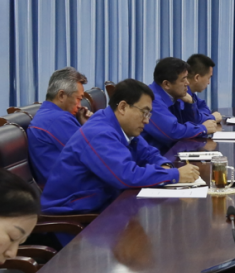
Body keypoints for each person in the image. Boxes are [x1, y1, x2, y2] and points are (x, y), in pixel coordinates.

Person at [41, 79, 201, 214]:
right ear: (123, 107)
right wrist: (174, 175)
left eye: (149, 114)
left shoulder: (120, 126)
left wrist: (165, 165)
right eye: (144, 113)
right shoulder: (99, 133)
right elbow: (126, 176)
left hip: (102, 202)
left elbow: (148, 153)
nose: (147, 120)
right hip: (74, 214)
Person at [27, 67, 90, 186]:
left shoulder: (48, 115)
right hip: (72, 191)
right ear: (61, 95)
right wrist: (89, 125)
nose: (79, 106)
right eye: (78, 99)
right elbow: (94, 153)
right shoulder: (57, 119)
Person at [141, 57, 217, 153]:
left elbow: (189, 122)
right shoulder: (151, 100)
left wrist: (190, 104)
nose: (187, 83)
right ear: (166, 84)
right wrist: (203, 129)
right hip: (153, 156)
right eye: (183, 79)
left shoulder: (174, 95)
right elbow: (172, 132)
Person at [174, 54, 222, 126]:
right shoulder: (181, 95)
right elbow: (191, 121)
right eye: (208, 78)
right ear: (197, 77)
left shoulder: (191, 94)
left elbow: (204, 108)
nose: (208, 82)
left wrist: (201, 117)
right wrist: (213, 117)